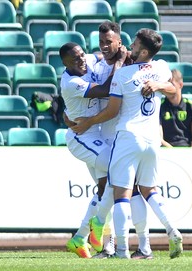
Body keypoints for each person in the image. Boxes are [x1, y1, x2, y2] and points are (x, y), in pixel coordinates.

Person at [72, 28, 184, 259]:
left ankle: (121, 250)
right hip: (153, 139)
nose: (130, 46)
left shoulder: (123, 75)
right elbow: (174, 90)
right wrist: (159, 85)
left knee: (122, 194)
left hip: (128, 137)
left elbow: (112, 111)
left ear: (143, 51)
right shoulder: (161, 67)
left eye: (134, 44)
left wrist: (89, 121)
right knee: (147, 191)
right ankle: (164, 234)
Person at [59, 41, 127, 258]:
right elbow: (106, 89)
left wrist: (115, 51)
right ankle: (96, 227)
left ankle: (80, 237)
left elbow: (98, 56)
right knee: (116, 172)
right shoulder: (71, 82)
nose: (81, 60)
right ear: (66, 64)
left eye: (81, 55)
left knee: (104, 185)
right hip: (81, 136)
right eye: (75, 59)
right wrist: (119, 62)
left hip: (96, 134)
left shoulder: (87, 59)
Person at [160, 69, 192, 148]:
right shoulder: (159, 107)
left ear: (180, 85)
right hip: (166, 151)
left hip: (187, 151)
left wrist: (190, 154)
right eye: (166, 86)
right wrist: (174, 153)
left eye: (172, 85)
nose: (168, 89)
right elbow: (159, 139)